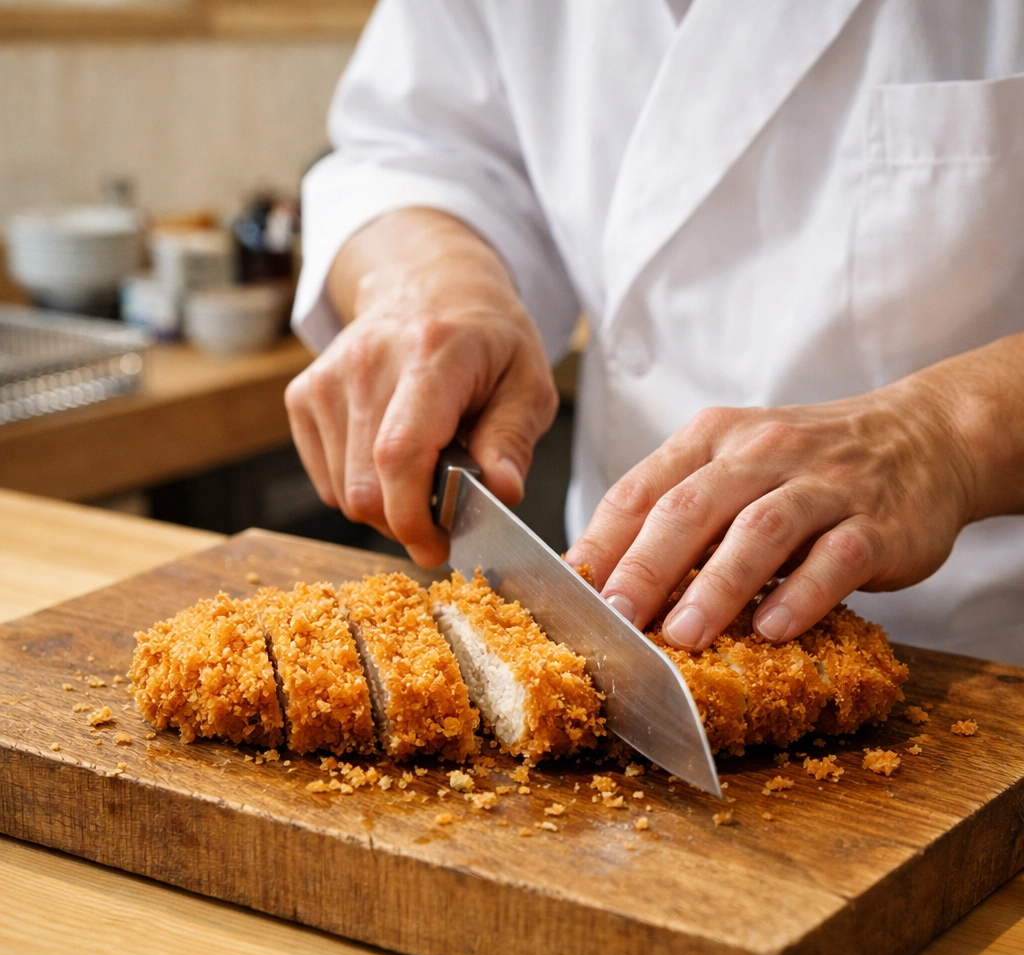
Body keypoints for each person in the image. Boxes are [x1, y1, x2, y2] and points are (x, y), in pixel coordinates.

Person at [288, 0, 1024, 664]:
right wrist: (431, 279)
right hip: (616, 613)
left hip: (988, 646)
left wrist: (946, 435)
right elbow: (413, 150)